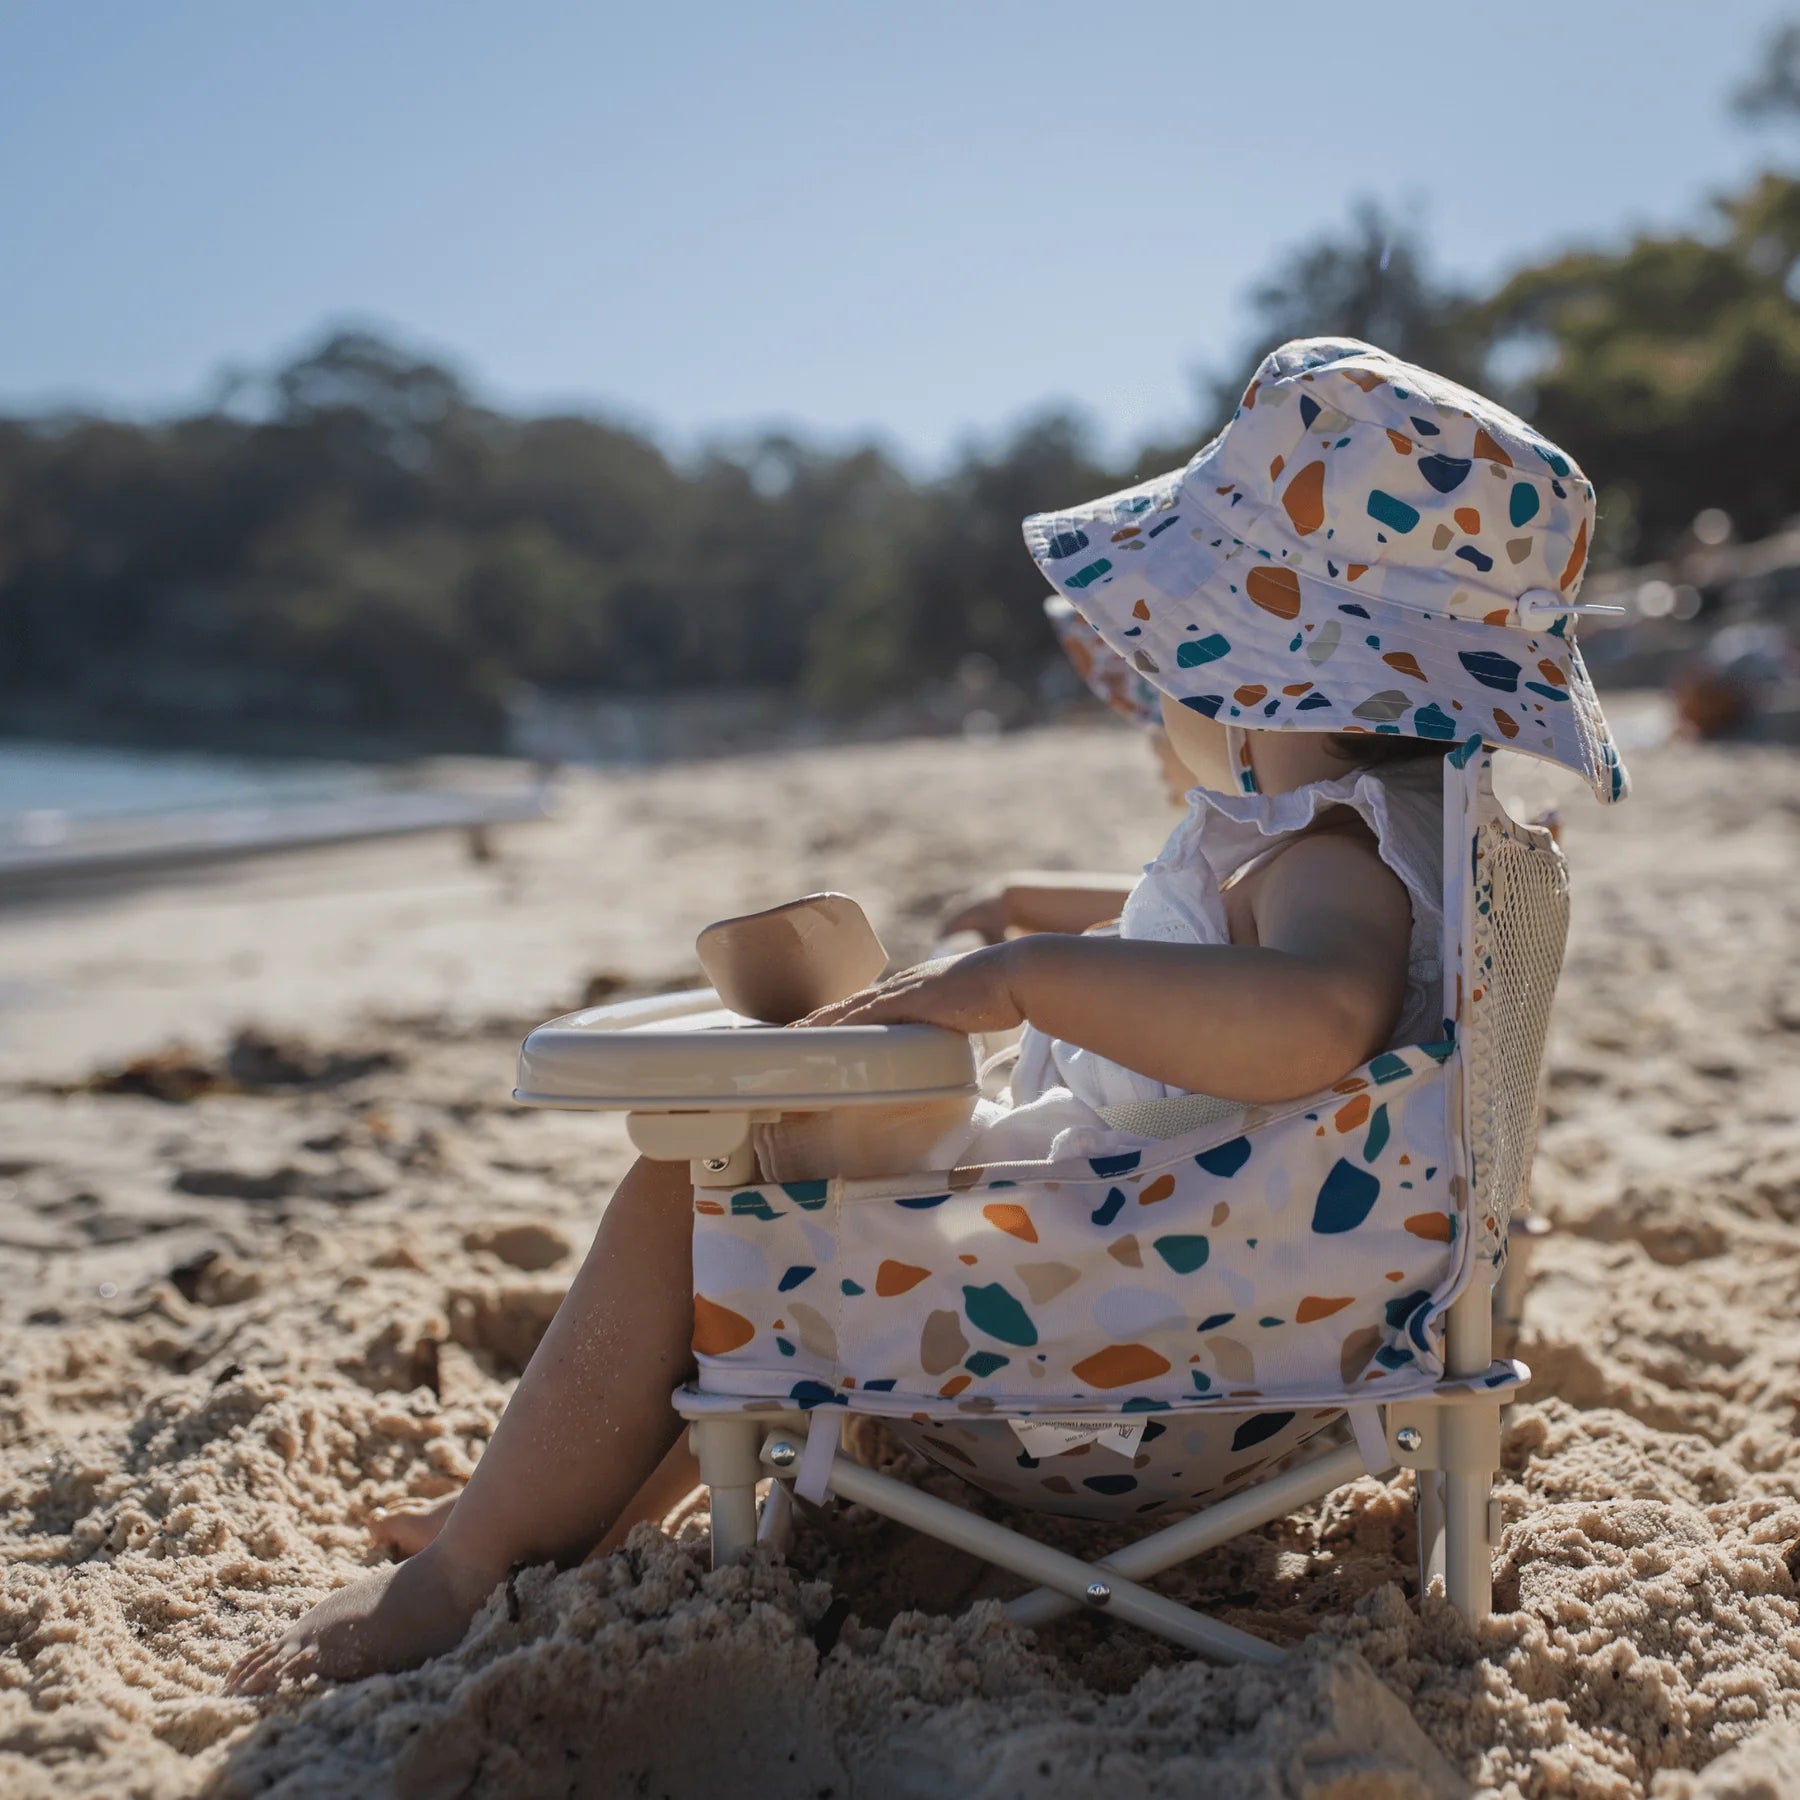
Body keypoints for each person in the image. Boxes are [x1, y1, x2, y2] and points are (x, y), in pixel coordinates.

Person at [227, 335, 1625, 1693]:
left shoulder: (1329, 863)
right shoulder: (1381, 843)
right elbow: (1243, 961)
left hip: (1118, 1323)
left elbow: (1316, 1015)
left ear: (1259, 675)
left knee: (708, 1185)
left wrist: (1023, 981)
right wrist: (1043, 936)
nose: (1159, 694)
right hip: (1240, 1280)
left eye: (1173, 662)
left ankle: (470, 1567)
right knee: (779, 1174)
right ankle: (563, 1505)